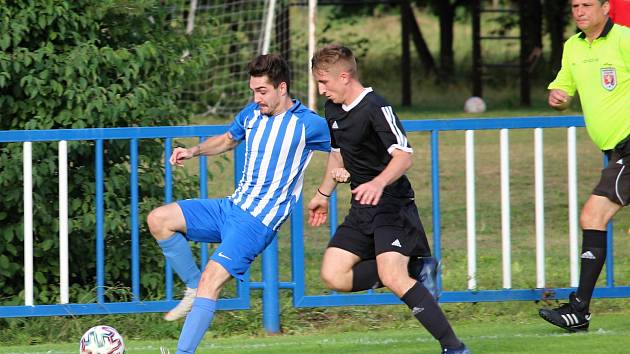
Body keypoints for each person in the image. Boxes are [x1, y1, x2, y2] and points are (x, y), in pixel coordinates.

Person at [147, 54, 330, 353]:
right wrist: (192, 151)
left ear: (281, 88)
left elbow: (344, 146)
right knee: (159, 219)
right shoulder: (251, 114)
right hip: (231, 208)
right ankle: (192, 286)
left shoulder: (307, 124)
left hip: (257, 222)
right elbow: (228, 140)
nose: (256, 98)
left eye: (262, 91)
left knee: (212, 280)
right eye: (253, 91)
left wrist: (325, 191)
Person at [307, 44, 470, 354]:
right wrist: (323, 193)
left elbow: (404, 156)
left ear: (344, 76)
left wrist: (379, 183)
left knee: (391, 276)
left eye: (323, 82)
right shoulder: (332, 110)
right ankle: (417, 268)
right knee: (333, 275)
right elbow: (337, 156)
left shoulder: (375, 107)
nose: (320, 89)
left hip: (392, 204)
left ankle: (454, 347)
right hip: (361, 207)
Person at [539, 0, 630, 332]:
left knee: (593, 216)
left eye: (587, 4)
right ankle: (579, 310)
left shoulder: (624, 39)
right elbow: (564, 88)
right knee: (593, 217)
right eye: (575, 5)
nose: (579, 11)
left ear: (606, 8)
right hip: (616, 151)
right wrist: (558, 98)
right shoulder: (572, 47)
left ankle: (579, 309)